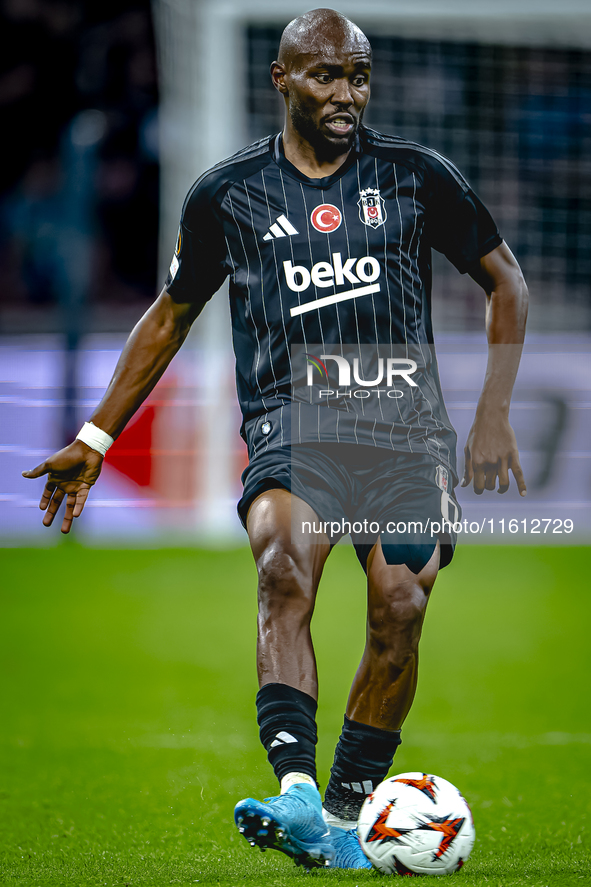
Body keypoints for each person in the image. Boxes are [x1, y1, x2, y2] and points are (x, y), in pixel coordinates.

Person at [23, 8, 528, 871]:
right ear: (282, 79)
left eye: (358, 76)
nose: (346, 93)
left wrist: (490, 415)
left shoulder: (415, 176)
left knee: (400, 605)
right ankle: (297, 789)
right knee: (284, 561)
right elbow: (170, 313)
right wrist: (97, 434)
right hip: (294, 427)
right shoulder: (227, 194)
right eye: (327, 75)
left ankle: (339, 816)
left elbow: (504, 281)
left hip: (406, 436)